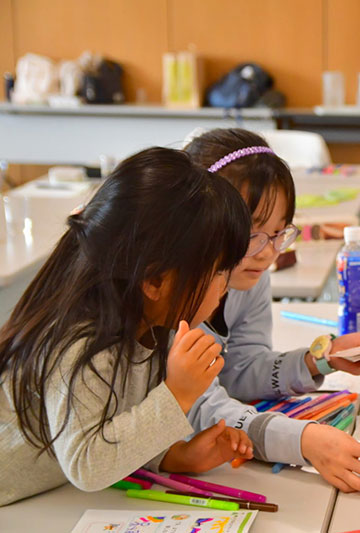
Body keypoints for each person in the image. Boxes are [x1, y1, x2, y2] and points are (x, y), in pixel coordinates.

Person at [0, 148, 254, 506]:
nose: (225, 286)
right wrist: (177, 395)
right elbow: (88, 464)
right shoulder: (80, 344)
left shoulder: (151, 326)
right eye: (218, 272)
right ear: (154, 281)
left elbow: (113, 423)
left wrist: (174, 457)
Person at [185, 128, 360, 494]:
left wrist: (320, 360)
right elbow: (200, 410)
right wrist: (303, 441)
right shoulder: (174, 294)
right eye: (252, 233)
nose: (268, 252)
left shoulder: (250, 273)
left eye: (280, 233)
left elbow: (238, 370)